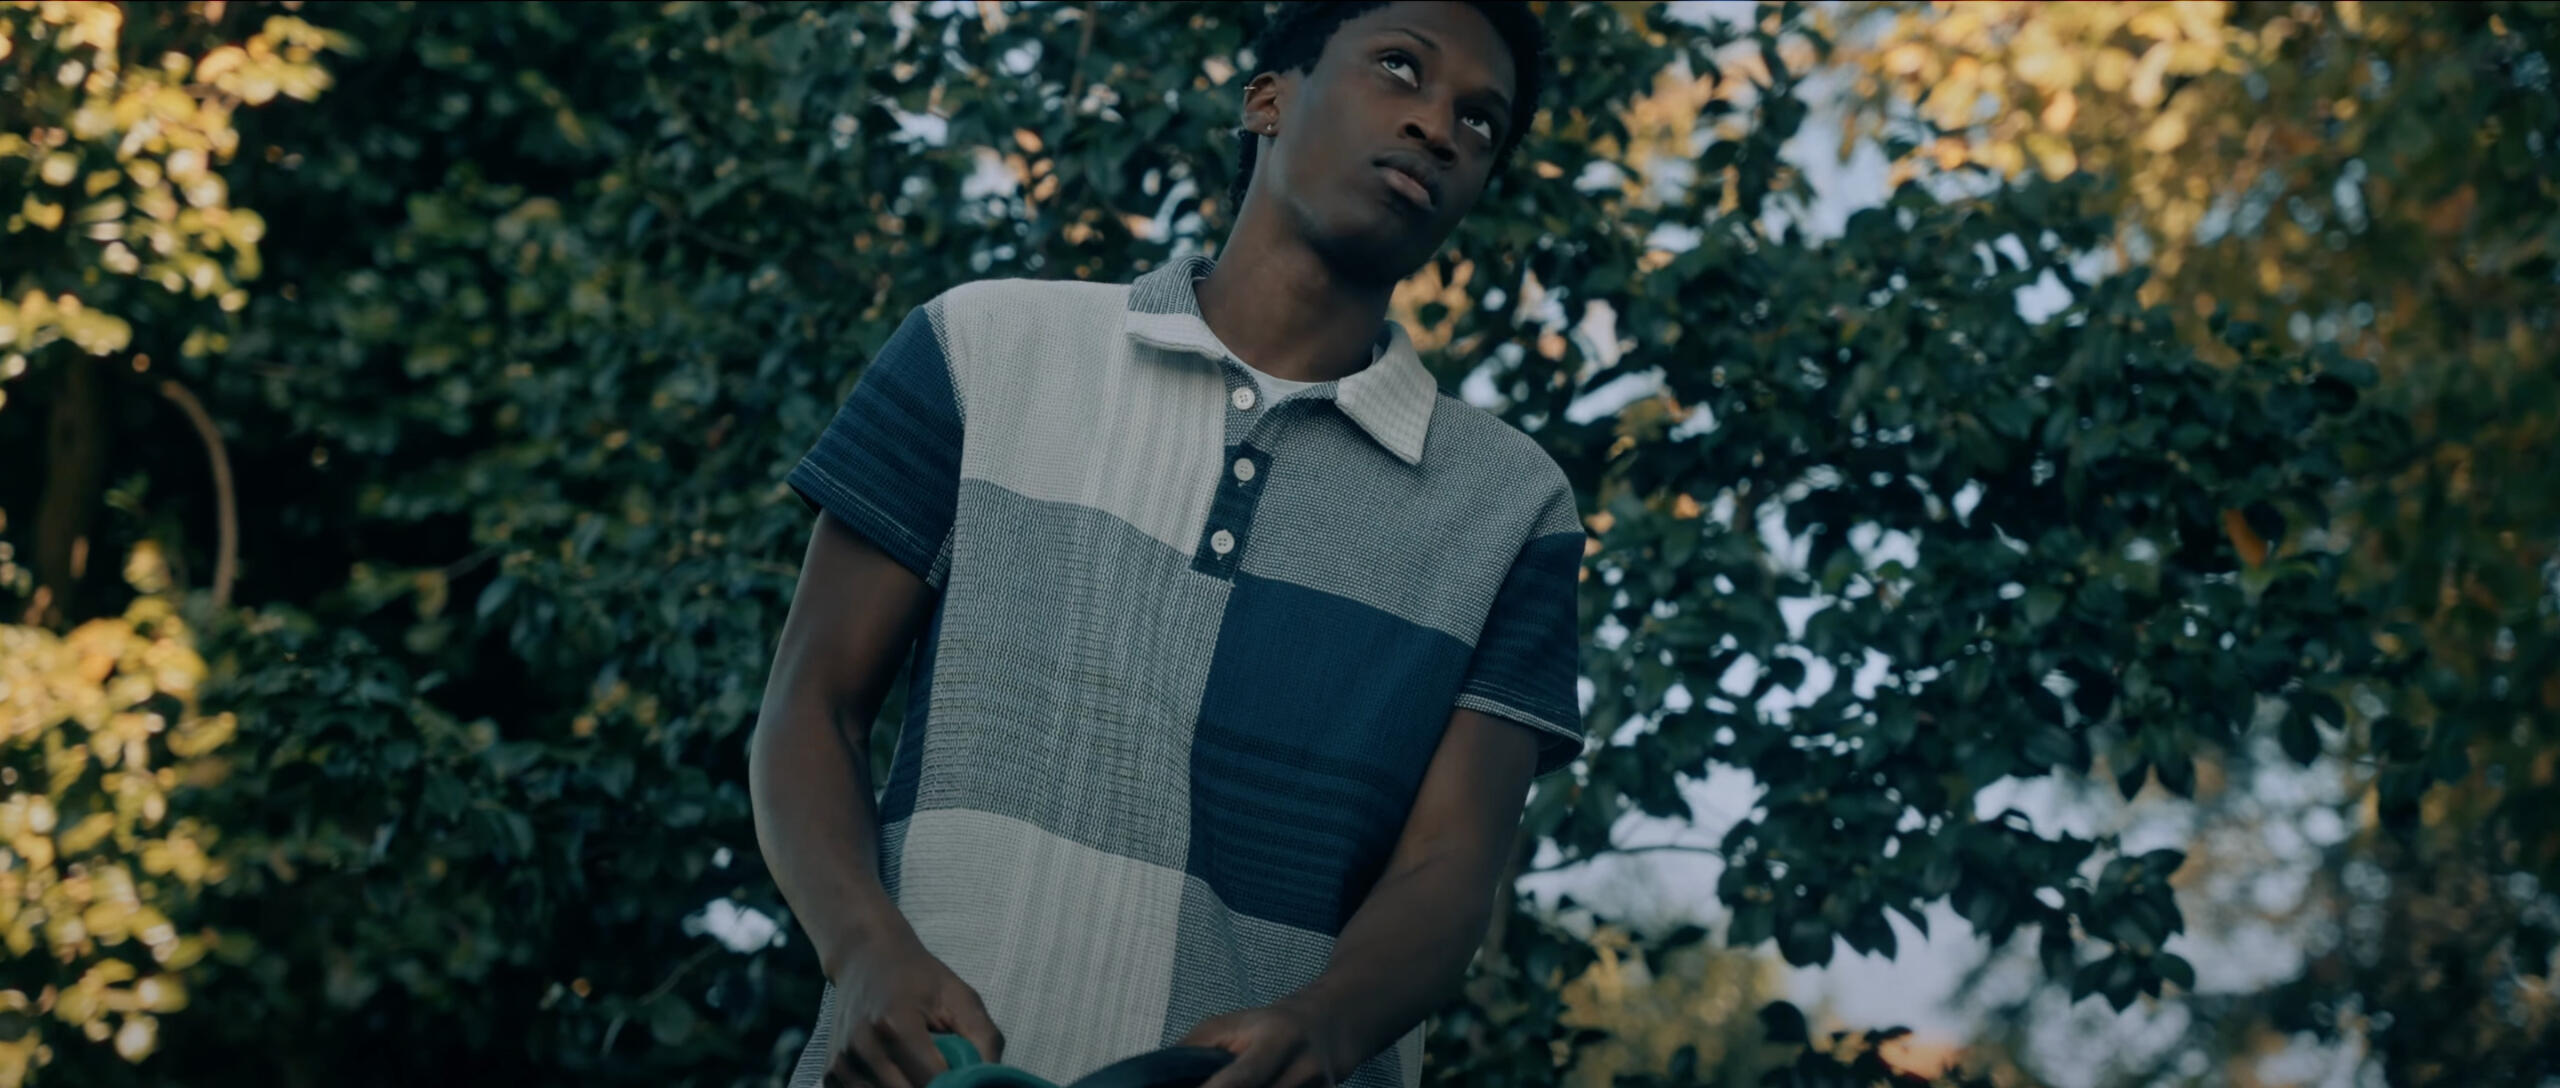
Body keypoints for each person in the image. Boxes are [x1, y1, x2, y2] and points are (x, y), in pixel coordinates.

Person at [751, 4, 1579, 1086]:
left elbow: (1451, 863)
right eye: (1398, 67)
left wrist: (1326, 1025)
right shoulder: (981, 345)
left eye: (1480, 120)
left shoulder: (1512, 503)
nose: (1437, 126)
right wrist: (864, 949)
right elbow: (811, 705)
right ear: (1268, 99)